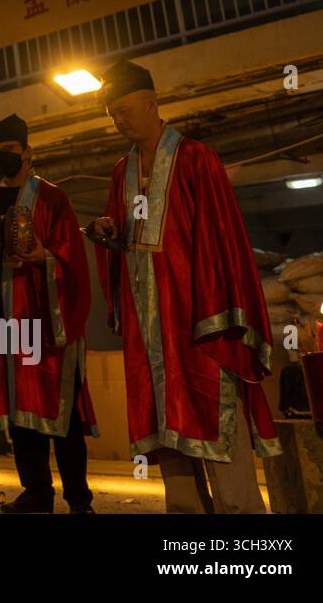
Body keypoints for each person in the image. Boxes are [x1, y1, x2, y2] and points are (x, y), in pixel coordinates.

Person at [88, 60, 281, 513]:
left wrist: (217, 315)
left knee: (216, 425)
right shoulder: (123, 171)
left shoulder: (196, 158)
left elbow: (221, 238)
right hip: (149, 330)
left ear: (152, 103)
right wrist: (108, 231)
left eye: (126, 109)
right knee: (169, 440)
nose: (120, 120)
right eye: (113, 114)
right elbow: (134, 231)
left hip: (198, 321)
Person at [0, 114, 97, 513]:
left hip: (48, 323)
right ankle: (36, 493)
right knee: (21, 419)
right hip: (9, 329)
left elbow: (73, 258)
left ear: (28, 152)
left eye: (9, 151)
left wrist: (43, 257)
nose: (2, 158)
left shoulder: (54, 199)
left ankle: (78, 499)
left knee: (63, 418)